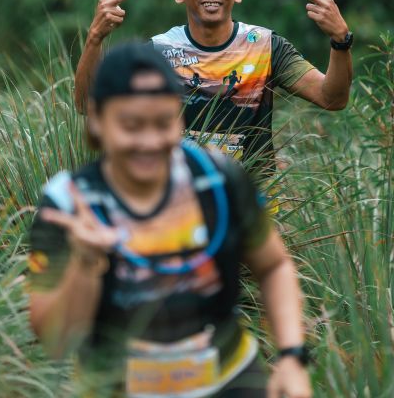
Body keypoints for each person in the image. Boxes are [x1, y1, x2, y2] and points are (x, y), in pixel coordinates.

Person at [29, 43, 312, 398]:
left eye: (164, 123)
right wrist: (85, 263)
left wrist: (291, 356)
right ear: (98, 120)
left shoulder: (217, 179)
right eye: (131, 126)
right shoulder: (69, 203)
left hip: (231, 383)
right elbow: (56, 342)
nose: (149, 142)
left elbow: (273, 267)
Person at [74, 0, 352, 176]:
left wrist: (340, 40)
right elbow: (87, 105)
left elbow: (332, 98)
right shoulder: (159, 52)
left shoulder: (266, 46)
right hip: (180, 201)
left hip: (254, 204)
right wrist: (95, 38)